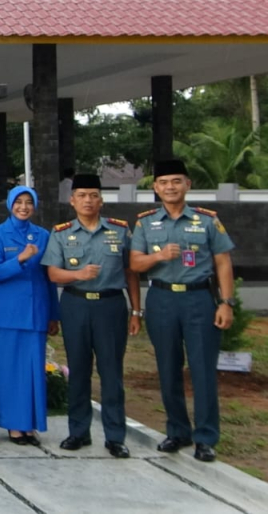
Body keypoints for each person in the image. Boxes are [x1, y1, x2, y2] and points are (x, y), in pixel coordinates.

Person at [131, 159, 235, 463]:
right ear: (155, 187)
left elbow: (223, 262)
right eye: (164, 182)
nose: (170, 187)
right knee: (168, 368)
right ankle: (177, 431)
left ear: (187, 184)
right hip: (162, 300)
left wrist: (226, 303)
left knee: (202, 369)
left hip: (199, 299)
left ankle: (205, 438)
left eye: (176, 181)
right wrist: (159, 256)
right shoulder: (146, 223)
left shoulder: (207, 220)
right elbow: (135, 263)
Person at [42, 173, 138, 457]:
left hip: (111, 306)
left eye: (93, 195)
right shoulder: (61, 232)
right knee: (79, 370)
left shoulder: (119, 230)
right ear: (72, 201)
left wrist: (136, 310)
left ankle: (115, 436)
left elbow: (131, 272)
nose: (88, 201)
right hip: (76, 304)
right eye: (82, 196)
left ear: (101, 200)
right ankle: (78, 432)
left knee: (111, 372)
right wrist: (78, 275)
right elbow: (52, 273)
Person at [0, 186, 59, 446]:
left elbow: (50, 278)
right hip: (8, 313)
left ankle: (30, 424)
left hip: (36, 312)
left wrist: (53, 314)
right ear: (10, 204)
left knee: (33, 371)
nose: (24, 207)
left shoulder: (43, 235)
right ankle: (13, 425)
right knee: (9, 370)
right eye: (19, 202)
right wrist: (20, 259)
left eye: (29, 202)